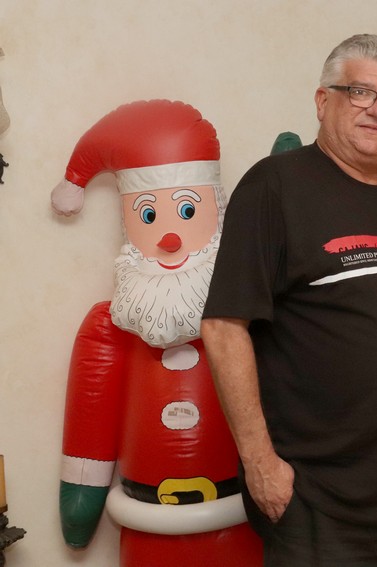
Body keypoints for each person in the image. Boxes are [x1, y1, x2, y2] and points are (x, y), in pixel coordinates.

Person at [201, 34, 377, 566]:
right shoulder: (274, 187)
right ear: (323, 101)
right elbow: (224, 327)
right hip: (319, 501)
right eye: (361, 92)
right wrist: (260, 463)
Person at [51, 99, 261, 566]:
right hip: (146, 525)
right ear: (129, 223)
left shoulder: (245, 313)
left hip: (240, 519)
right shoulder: (111, 325)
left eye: (186, 210)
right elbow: (91, 411)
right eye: (149, 216)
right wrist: (80, 499)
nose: (169, 238)